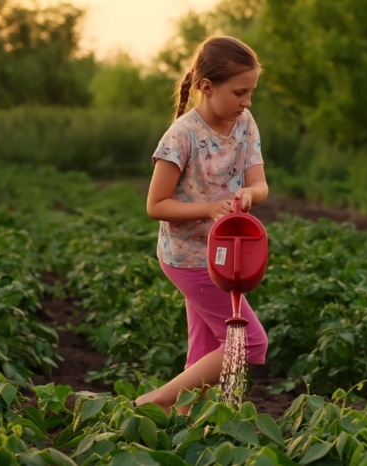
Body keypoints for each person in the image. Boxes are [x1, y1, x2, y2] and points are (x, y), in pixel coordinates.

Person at [134, 35, 269, 413]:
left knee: (205, 352)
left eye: (251, 93)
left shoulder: (245, 124)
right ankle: (152, 402)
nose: (247, 102)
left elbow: (260, 184)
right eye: (240, 92)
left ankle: (184, 421)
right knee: (250, 343)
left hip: (227, 259)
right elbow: (156, 204)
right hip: (187, 258)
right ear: (207, 88)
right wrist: (209, 208)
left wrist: (248, 196)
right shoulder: (182, 136)